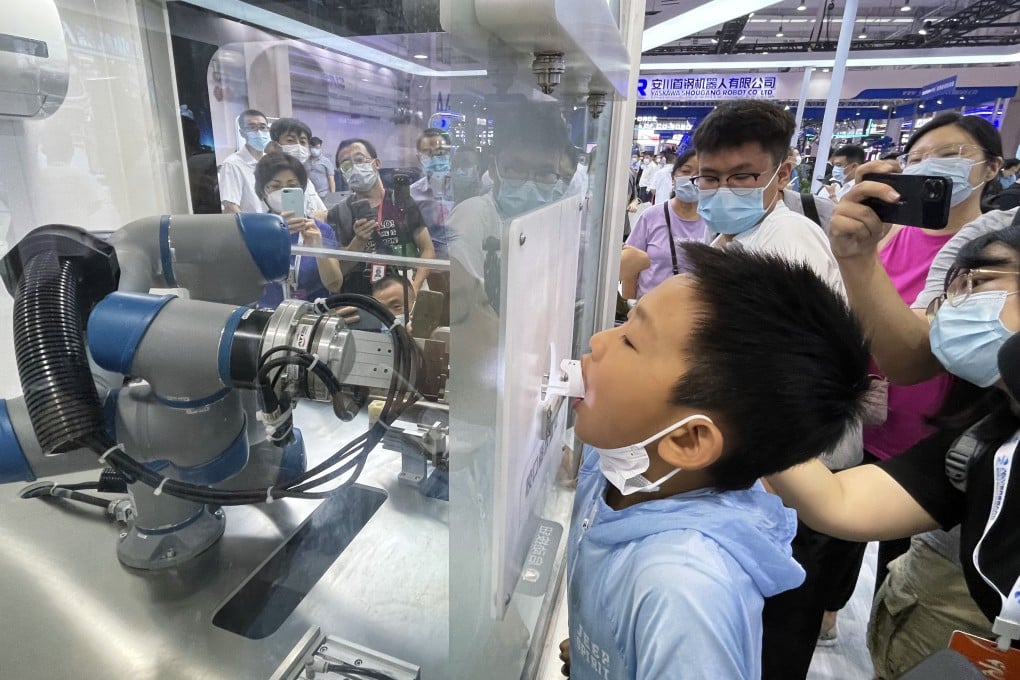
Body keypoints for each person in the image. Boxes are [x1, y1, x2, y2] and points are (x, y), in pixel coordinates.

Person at [559, 243, 870, 680]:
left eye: (629, 340)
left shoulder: (685, 592)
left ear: (687, 440)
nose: (598, 340)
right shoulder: (613, 461)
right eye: (624, 322)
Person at [766, 221, 1020, 663]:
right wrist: (745, 407)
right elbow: (838, 501)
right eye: (954, 290)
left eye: (980, 283)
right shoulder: (981, 440)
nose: (959, 306)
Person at [691, 98, 861, 680]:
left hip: (799, 468)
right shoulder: (732, 240)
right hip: (766, 465)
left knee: (781, 626)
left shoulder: (789, 240)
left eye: (743, 177)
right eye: (709, 178)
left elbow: (802, 372)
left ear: (782, 174)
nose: (721, 191)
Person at [821, 112, 1005, 644]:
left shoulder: (988, 251)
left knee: (910, 555)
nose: (930, 168)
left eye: (947, 155)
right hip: (871, 416)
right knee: (848, 530)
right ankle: (835, 612)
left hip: (938, 433)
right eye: (918, 159)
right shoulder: (886, 238)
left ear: (990, 168)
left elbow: (919, 350)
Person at [327, 138, 435, 297]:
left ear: (376, 163)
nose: (355, 168)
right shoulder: (338, 214)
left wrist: (414, 288)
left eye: (359, 159)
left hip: (405, 294)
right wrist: (359, 242)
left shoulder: (401, 201)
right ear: (342, 173)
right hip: (361, 300)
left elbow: (427, 249)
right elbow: (336, 275)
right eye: (346, 165)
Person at [252, 152, 343, 309]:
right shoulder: (253, 231)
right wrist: (274, 238)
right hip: (267, 317)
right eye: (275, 186)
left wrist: (318, 248)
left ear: (302, 190)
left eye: (292, 186)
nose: (283, 191)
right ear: (262, 192)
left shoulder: (321, 230)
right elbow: (245, 282)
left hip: (312, 317)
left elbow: (334, 285)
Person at [621, 150, 709, 298]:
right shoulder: (651, 216)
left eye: (700, 174)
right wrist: (630, 306)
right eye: (686, 171)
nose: (692, 178)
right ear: (673, 178)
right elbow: (631, 266)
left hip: (693, 314)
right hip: (648, 309)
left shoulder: (713, 222)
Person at [269, 117, 328, 220]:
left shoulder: (306, 180)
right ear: (275, 144)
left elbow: (323, 213)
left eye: (302, 142)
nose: (298, 146)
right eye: (290, 140)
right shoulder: (267, 179)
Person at [219, 108, 270, 214]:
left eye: (262, 127)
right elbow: (230, 207)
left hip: (276, 226)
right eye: (252, 127)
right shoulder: (232, 164)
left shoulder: (271, 161)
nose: (259, 132)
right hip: (251, 228)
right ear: (242, 133)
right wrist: (252, 229)